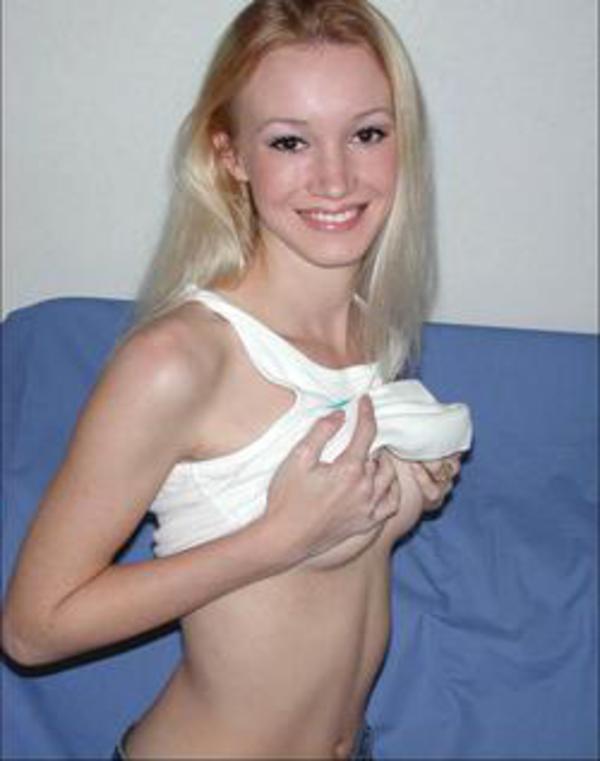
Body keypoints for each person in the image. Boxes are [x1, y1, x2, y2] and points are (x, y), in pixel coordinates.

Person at [3, 1, 472, 758]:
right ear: (231, 155)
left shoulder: (369, 332)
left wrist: (403, 495)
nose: (335, 177)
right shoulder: (179, 360)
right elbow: (33, 627)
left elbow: (321, 582)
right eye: (290, 141)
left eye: (367, 133)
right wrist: (277, 539)